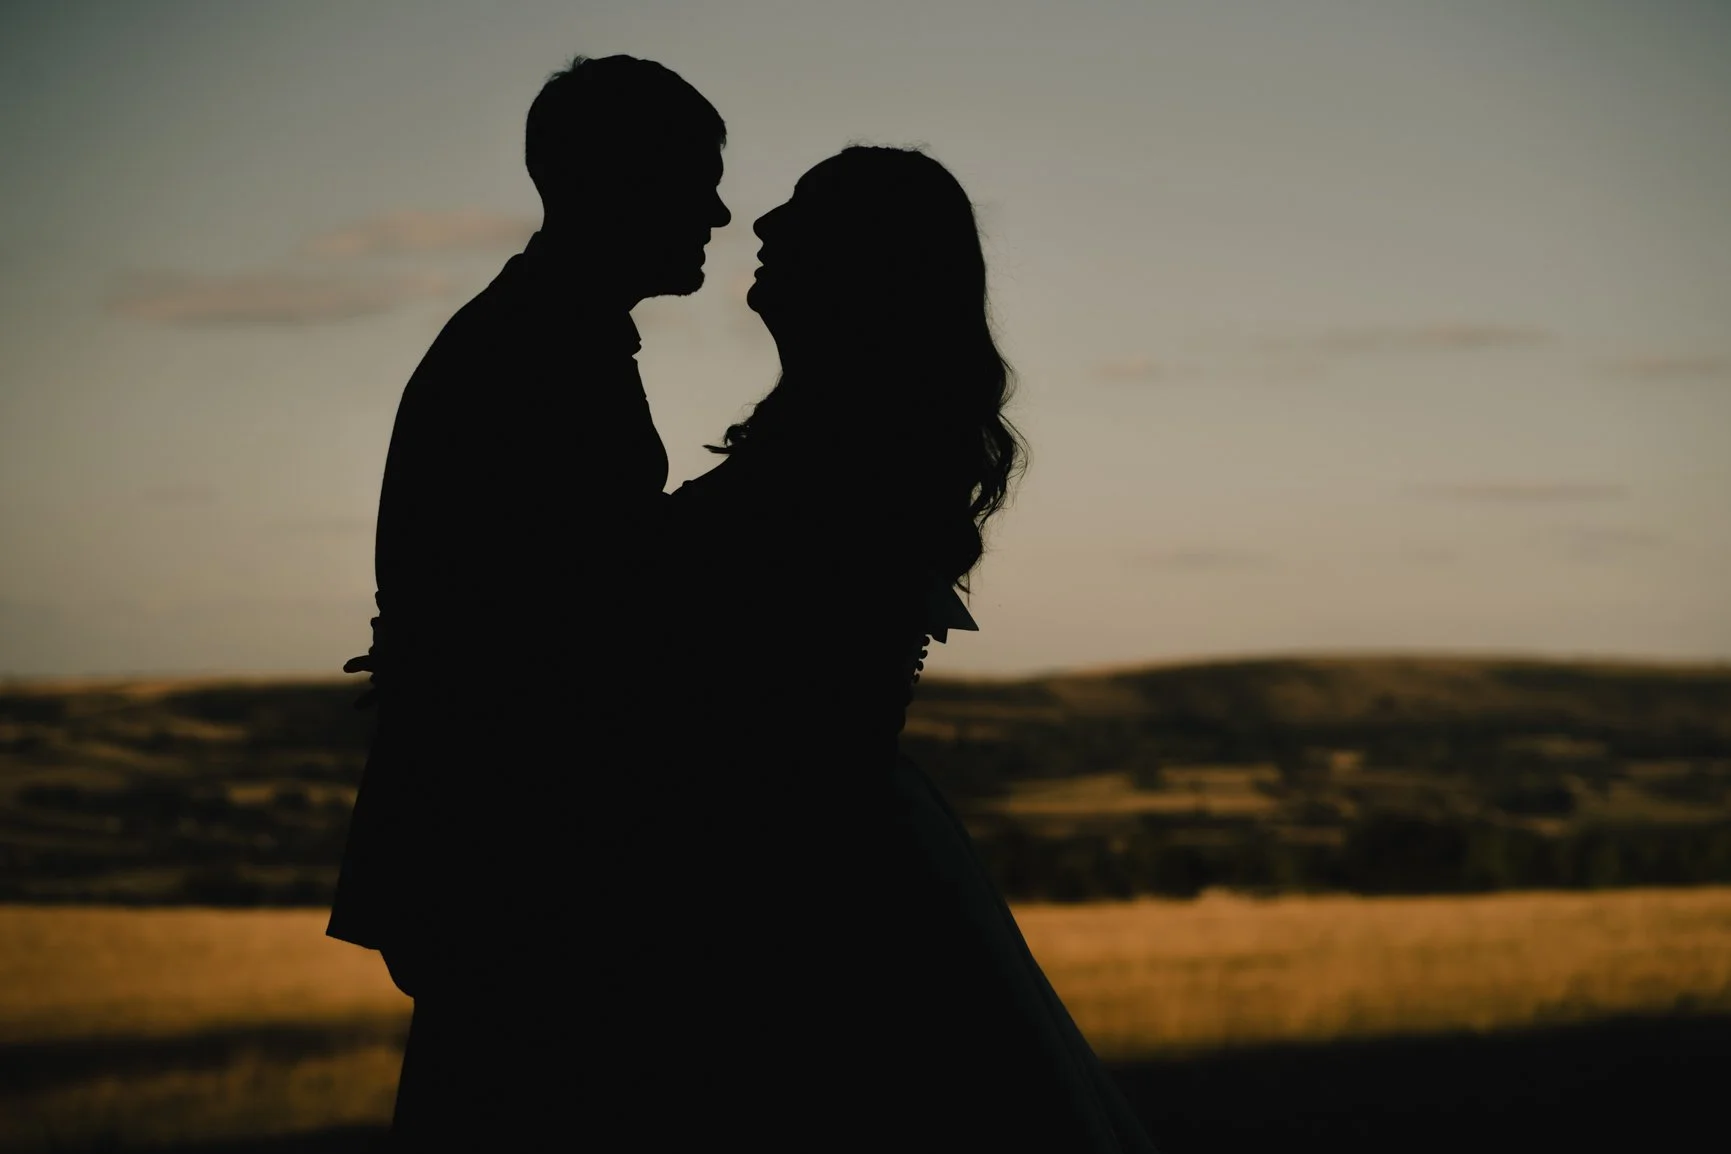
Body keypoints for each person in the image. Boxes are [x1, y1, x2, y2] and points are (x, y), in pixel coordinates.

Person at [624, 145, 1159, 1152]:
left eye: (805, 212)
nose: (766, 225)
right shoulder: (843, 439)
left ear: (870, 269)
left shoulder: (846, 457)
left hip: (797, 875)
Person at [325, 54, 730, 1147]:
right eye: (698, 177)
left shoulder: (537, 334)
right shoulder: (539, 353)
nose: (721, 209)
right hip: (528, 872)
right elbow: (571, 636)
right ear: (619, 182)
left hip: (507, 866)